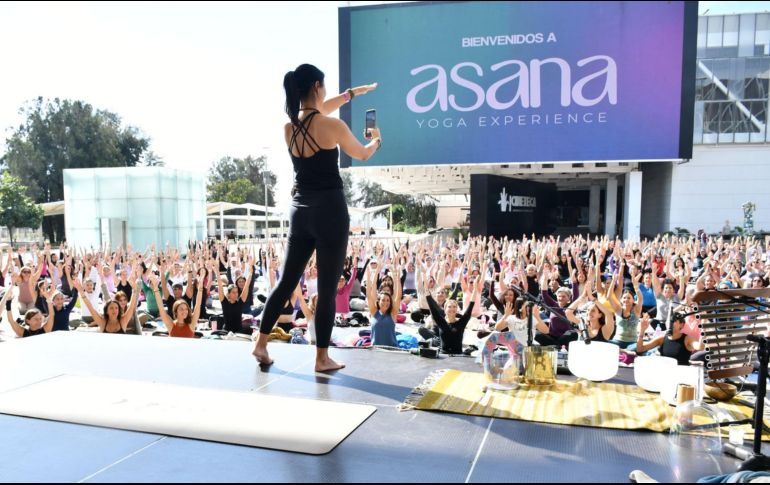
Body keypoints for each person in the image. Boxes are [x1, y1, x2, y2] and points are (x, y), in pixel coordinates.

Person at [252, 63, 380, 372]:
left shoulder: (288, 128)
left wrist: (349, 95)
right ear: (316, 87)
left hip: (300, 211)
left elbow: (315, 111)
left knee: (285, 282)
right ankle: (321, 358)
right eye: (324, 86)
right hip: (330, 211)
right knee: (325, 288)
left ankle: (260, 343)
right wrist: (377, 139)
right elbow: (363, 154)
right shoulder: (332, 126)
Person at [74, 276, 139, 334]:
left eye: (116, 308)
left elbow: (131, 306)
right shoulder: (102, 322)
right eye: (111, 308)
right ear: (107, 311)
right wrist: (81, 292)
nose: (114, 310)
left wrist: (134, 290)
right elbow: (90, 308)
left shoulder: (123, 321)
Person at [635, 312, 704, 365]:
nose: (670, 323)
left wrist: (703, 327)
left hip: (681, 376)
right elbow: (640, 349)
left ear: (682, 325)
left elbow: (700, 347)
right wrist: (642, 330)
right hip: (666, 374)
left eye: (674, 321)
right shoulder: (662, 339)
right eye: (669, 321)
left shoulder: (687, 339)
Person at [426, 285, 477, 354]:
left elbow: (471, 305)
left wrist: (476, 286)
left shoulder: (461, 322)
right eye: (449, 307)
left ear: (457, 309)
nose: (452, 309)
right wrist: (425, 282)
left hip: (458, 355)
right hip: (444, 356)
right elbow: (430, 303)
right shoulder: (441, 322)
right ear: (445, 309)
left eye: (454, 307)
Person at [153, 274, 204, 338]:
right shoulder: (171, 325)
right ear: (176, 311)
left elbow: (198, 305)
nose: (185, 311)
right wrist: (155, 288)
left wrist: (200, 288)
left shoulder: (191, 323)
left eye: (186, 309)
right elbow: (161, 308)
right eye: (181, 309)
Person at [367, 264, 402, 347]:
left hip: (392, 350)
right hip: (376, 350)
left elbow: (399, 295)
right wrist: (370, 276)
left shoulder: (393, 313)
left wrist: (397, 277)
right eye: (383, 300)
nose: (385, 302)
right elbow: (369, 294)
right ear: (378, 301)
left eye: (388, 300)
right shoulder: (374, 312)